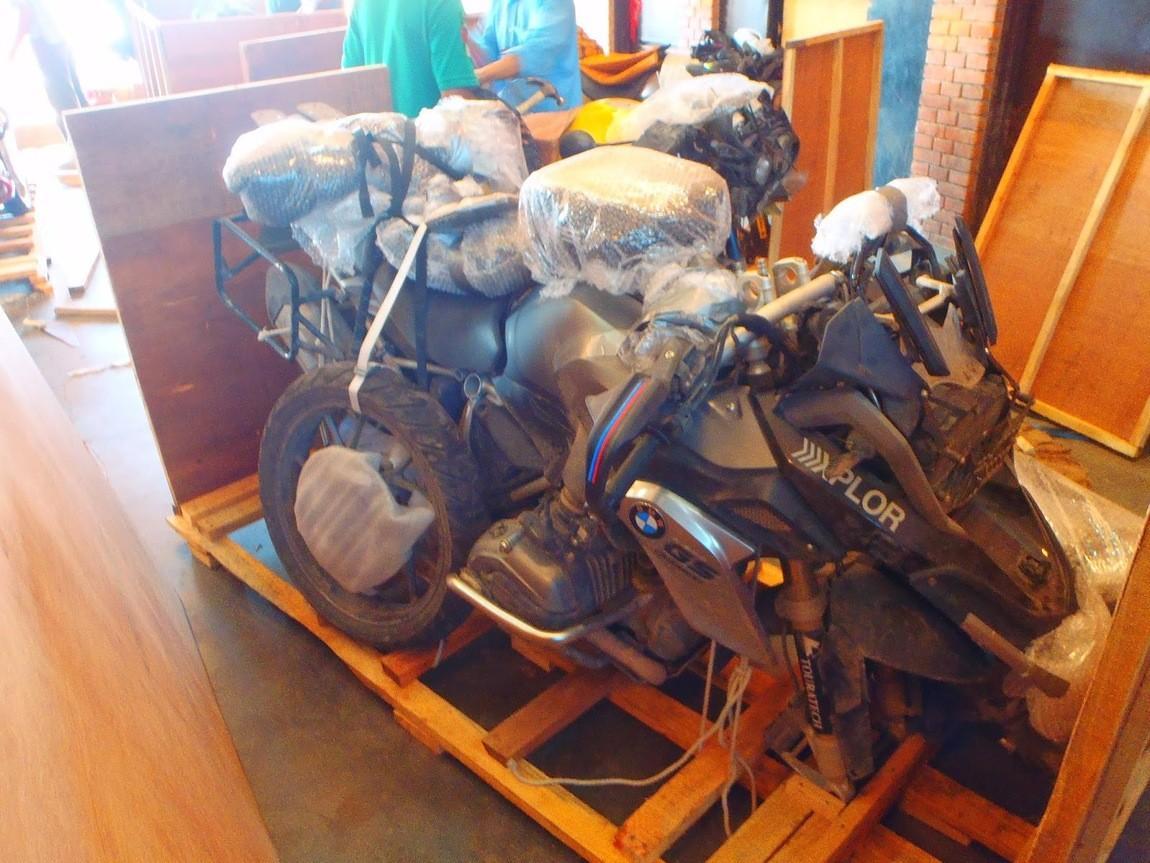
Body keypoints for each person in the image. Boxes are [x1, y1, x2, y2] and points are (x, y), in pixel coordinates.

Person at [341, 0, 479, 119]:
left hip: (378, 138)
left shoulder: (361, 4)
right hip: (429, 138)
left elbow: (348, 90)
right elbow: (457, 103)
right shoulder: (443, 4)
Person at [472, 0, 582, 113]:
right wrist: (467, 46)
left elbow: (536, 53)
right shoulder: (499, 3)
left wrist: (479, 76)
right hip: (510, 107)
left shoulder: (556, 3)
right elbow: (487, 47)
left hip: (553, 111)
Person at [7, 0, 86, 134]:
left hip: (47, 42)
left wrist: (14, 49)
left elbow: (26, 13)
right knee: (73, 93)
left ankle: (79, 138)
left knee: (61, 98)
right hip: (58, 38)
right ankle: (87, 136)